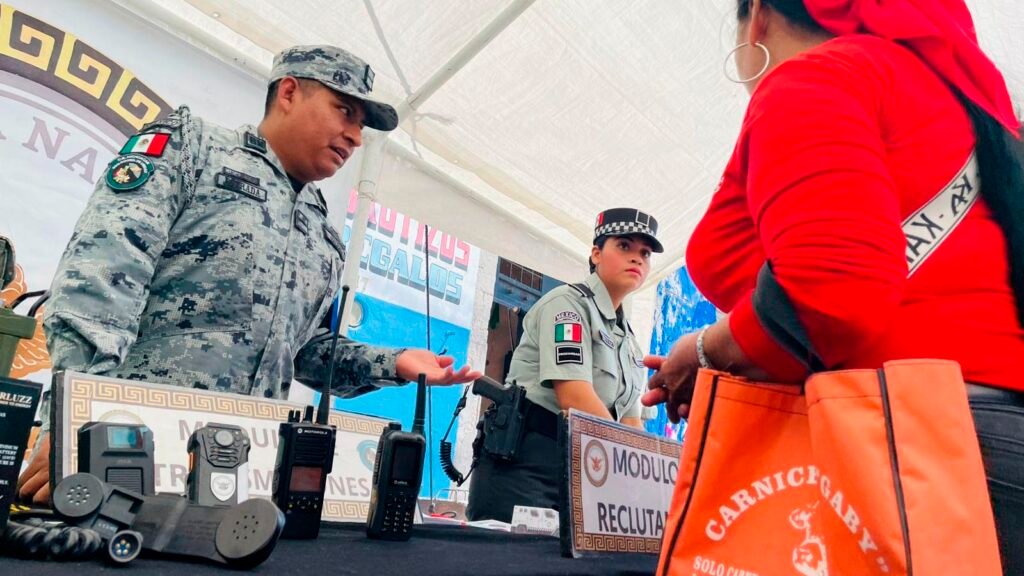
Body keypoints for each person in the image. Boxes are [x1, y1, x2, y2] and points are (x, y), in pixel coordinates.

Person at [641, 1, 1024, 572]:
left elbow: (831, 289)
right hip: (982, 437)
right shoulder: (946, 101)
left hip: (911, 453)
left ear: (758, 21)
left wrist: (702, 350)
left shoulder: (816, 80)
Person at [17, 45, 481, 504]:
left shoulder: (322, 232)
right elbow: (101, 275)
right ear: (289, 92)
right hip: (122, 453)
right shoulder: (192, 148)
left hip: (233, 478)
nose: (356, 137)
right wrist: (82, 416)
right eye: (344, 111)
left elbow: (306, 352)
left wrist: (394, 362)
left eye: (360, 124)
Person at [467, 207, 662, 522]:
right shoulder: (567, 306)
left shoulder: (629, 341)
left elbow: (630, 422)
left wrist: (653, 471)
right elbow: (575, 399)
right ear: (596, 254)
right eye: (624, 246)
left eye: (645, 253)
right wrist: (632, 457)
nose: (637, 259)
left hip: (584, 473)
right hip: (525, 466)